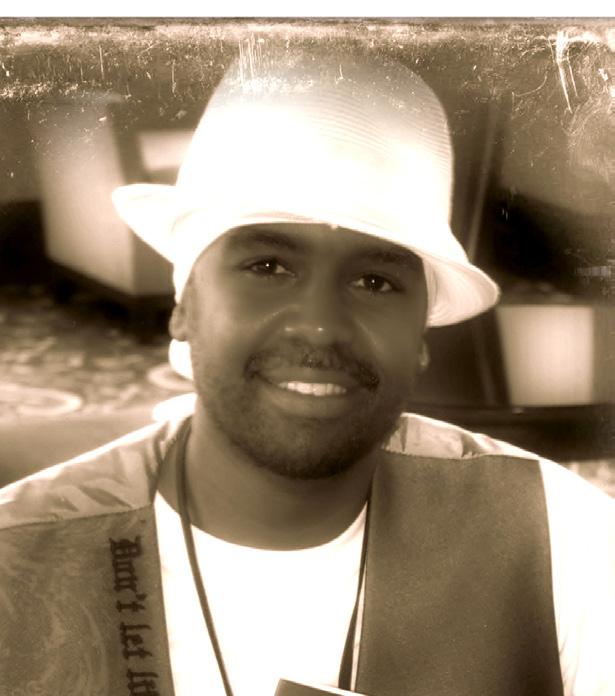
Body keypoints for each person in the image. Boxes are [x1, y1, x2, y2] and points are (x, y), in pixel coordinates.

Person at [1, 44, 613, 696]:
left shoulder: (560, 536)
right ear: (184, 307)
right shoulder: (18, 555)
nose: (319, 324)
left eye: (375, 281)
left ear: (421, 337)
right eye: (268, 267)